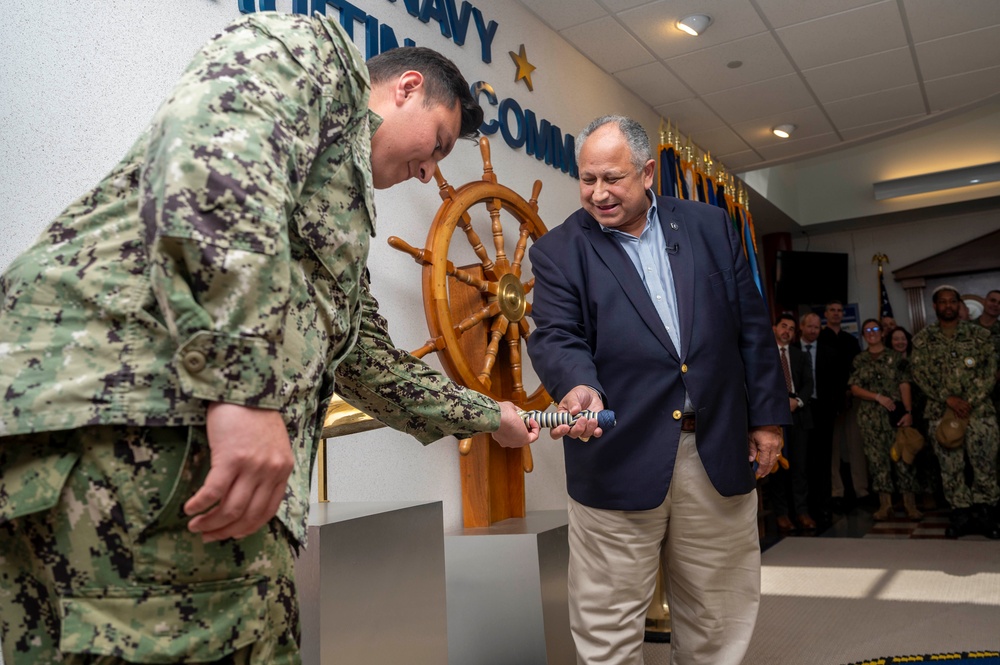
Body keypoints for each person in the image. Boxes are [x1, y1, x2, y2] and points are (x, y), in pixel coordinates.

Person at [0, 13, 541, 665]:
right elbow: (212, 165)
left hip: (175, 460)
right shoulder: (308, 53)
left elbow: (370, 361)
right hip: (126, 430)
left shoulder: (334, 212)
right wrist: (246, 388)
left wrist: (489, 416)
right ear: (405, 88)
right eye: (440, 140)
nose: (431, 172)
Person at [526, 115, 788, 665]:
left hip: (714, 447)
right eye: (587, 179)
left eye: (612, 179)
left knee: (718, 615)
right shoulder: (558, 251)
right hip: (617, 456)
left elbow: (751, 329)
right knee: (607, 624)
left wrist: (766, 419)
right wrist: (578, 389)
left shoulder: (710, 226)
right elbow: (556, 336)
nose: (598, 193)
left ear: (648, 173)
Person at [911, 286, 999, 539]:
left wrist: (968, 400)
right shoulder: (923, 339)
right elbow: (919, 375)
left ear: (959, 306)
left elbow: (990, 371)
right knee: (950, 467)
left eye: (952, 302)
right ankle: (960, 514)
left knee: (985, 465)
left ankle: (985, 514)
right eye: (943, 302)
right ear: (935, 307)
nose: (948, 306)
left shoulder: (979, 336)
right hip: (941, 413)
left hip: (980, 413)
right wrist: (947, 398)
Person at [848, 319, 920, 520]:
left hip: (895, 415)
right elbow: (854, 388)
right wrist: (877, 397)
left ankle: (909, 504)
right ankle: (885, 505)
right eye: (867, 330)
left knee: (903, 457)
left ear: (881, 333)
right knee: (877, 460)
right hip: (870, 417)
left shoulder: (896, 358)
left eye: (875, 329)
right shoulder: (860, 360)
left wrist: (908, 412)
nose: (871, 333)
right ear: (863, 335)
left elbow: (904, 385)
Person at [820, 300, 870, 511]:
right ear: (826, 314)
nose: (836, 314)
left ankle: (862, 491)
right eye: (832, 310)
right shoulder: (820, 339)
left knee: (855, 446)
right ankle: (836, 491)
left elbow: (857, 368)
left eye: (840, 311)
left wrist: (851, 390)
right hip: (828, 401)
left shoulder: (850, 340)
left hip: (851, 398)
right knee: (832, 448)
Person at [771, 313, 815, 532]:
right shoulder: (765, 355)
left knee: (800, 467)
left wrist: (797, 401)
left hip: (798, 415)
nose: (786, 331)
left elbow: (809, 384)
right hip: (774, 417)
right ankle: (782, 514)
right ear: (774, 328)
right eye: (783, 326)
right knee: (778, 466)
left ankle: (802, 511)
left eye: (791, 328)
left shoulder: (800, 355)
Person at [799, 312, 839, 526]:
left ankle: (823, 506)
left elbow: (837, 384)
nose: (814, 330)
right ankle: (804, 508)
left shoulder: (829, 352)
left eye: (817, 327)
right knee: (803, 462)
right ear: (802, 327)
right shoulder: (793, 350)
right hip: (800, 412)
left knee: (823, 461)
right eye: (810, 326)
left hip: (823, 412)